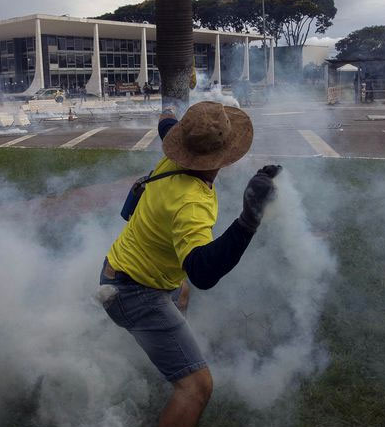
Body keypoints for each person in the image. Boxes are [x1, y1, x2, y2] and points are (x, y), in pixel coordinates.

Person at [99, 102, 281, 427]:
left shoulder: (176, 153)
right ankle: (181, 380)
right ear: (224, 153)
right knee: (198, 387)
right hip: (135, 293)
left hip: (121, 269)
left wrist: (169, 106)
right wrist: (249, 218)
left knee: (181, 291)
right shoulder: (191, 202)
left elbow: (165, 124)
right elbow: (202, 272)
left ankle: (172, 358)